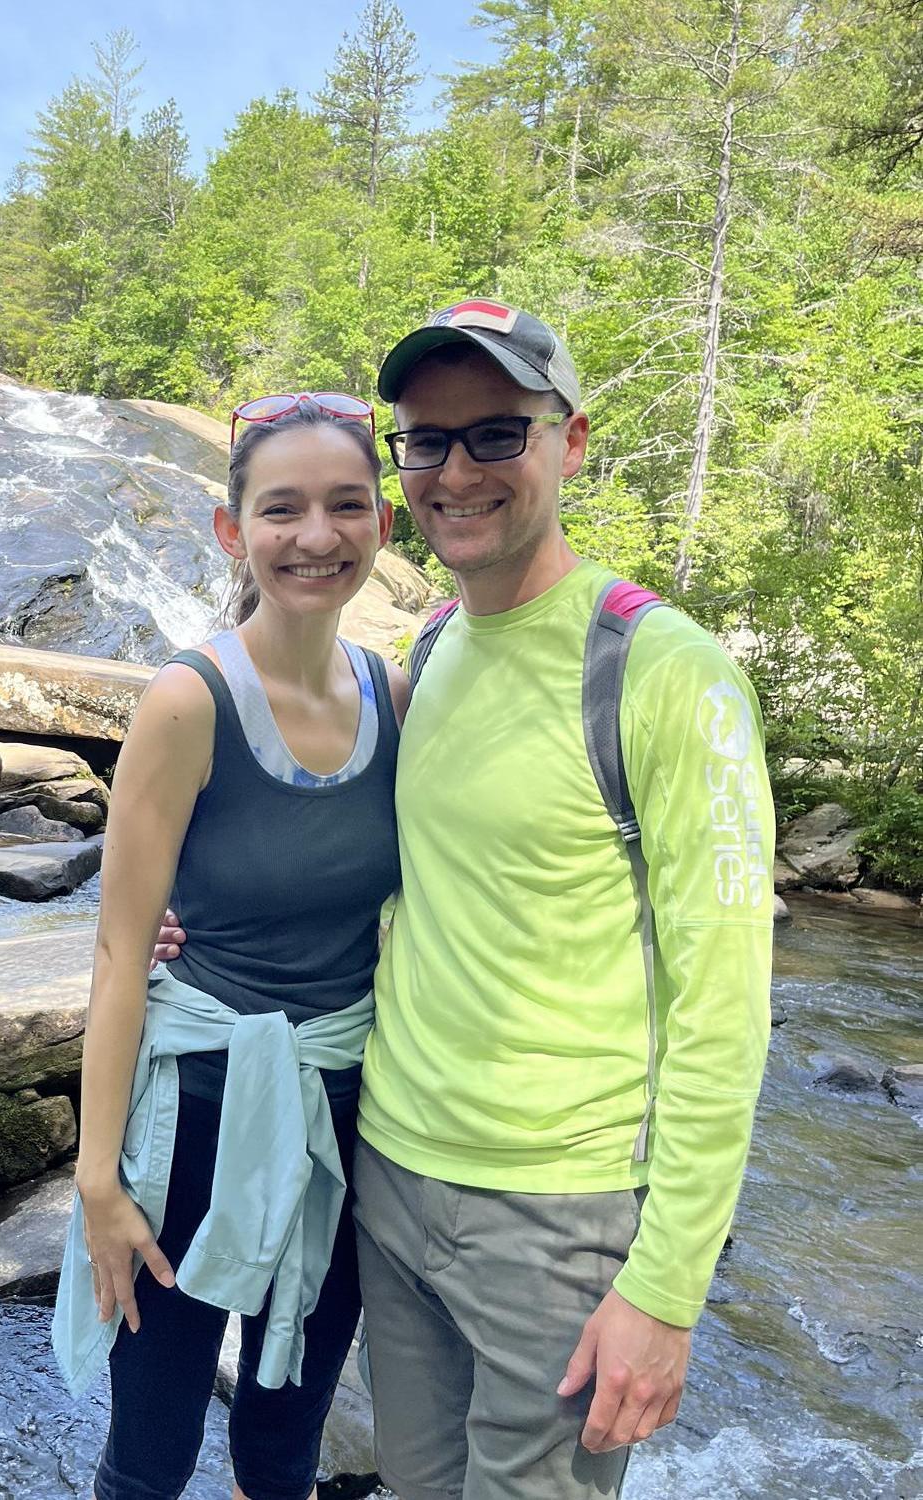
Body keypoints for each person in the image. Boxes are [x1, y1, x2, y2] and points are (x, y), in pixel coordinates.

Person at [159, 301, 775, 1499]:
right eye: (427, 442)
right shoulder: (424, 657)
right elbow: (359, 869)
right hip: (387, 1177)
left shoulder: (660, 670)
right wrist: (181, 931)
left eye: (498, 433)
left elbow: (726, 1010)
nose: (457, 471)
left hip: (561, 1210)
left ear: (571, 442)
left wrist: (667, 1287)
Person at [53, 392, 411, 1500]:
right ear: (232, 530)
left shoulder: (394, 695)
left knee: (282, 1438)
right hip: (195, 1121)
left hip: (347, 1119)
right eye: (283, 509)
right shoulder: (186, 702)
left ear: (381, 528)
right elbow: (121, 956)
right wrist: (98, 1182)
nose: (317, 536)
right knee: (152, 1453)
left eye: (346, 506)